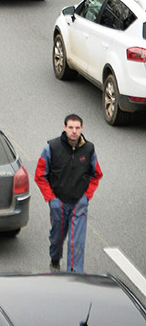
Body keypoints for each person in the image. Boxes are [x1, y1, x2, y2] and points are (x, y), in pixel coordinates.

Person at [34, 114, 102, 272]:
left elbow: (96, 174)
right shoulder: (51, 147)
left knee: (76, 242)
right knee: (57, 237)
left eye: (77, 128)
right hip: (59, 203)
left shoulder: (89, 149)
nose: (74, 131)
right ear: (64, 128)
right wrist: (51, 199)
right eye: (71, 127)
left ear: (82, 129)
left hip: (79, 203)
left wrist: (86, 197)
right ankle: (55, 258)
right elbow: (40, 175)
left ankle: (74, 276)